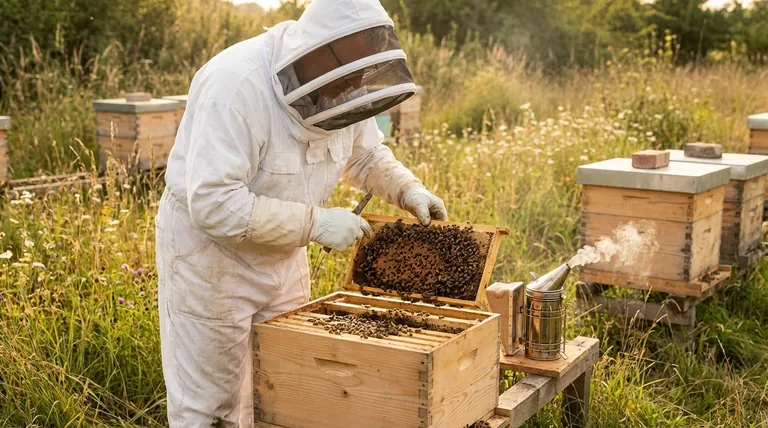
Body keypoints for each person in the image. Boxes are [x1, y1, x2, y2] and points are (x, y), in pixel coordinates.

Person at [154, 0, 447, 426]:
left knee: (287, 388)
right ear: (321, 52)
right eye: (348, 74)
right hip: (211, 264)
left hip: (283, 257)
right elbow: (214, 204)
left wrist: (407, 189)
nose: (352, 86)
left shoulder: (345, 84)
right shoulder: (235, 85)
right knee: (212, 409)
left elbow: (364, 157)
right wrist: (318, 224)